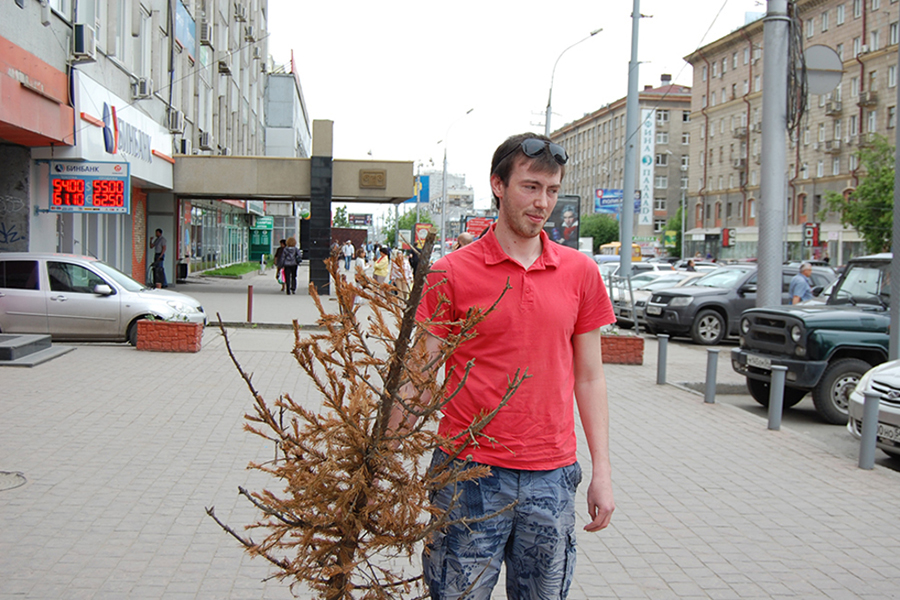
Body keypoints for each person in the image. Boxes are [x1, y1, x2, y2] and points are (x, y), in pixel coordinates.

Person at [397, 133, 616, 599]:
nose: (542, 204)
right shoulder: (451, 272)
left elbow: (590, 377)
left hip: (552, 478)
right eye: (530, 187)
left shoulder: (581, 272)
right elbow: (421, 374)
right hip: (467, 473)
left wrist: (603, 471)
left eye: (552, 191)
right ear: (498, 185)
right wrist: (380, 461)